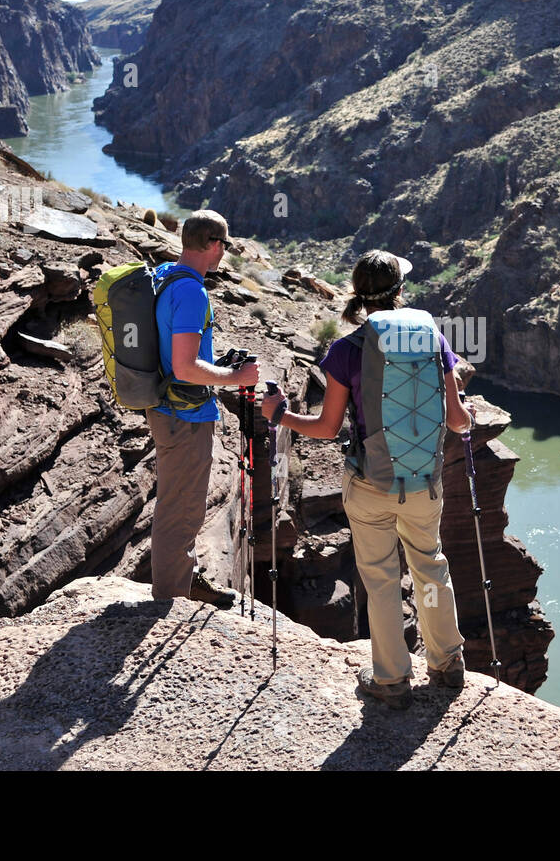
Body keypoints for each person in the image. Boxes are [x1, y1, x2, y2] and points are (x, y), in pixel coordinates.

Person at [261, 250, 473, 709]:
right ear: (400, 292)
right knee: (430, 566)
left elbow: (327, 428)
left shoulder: (345, 351)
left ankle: (391, 680)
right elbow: (458, 422)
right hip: (423, 481)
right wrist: (466, 414)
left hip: (370, 482)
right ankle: (447, 664)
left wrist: (280, 415)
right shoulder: (432, 339)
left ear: (357, 296)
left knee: (380, 578)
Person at [148, 210, 259, 601]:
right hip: (184, 414)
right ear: (214, 245)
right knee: (179, 511)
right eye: (224, 245)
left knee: (184, 505)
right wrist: (236, 379)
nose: (224, 253)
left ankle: (186, 578)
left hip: (167, 407)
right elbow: (184, 366)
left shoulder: (165, 274)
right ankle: (170, 600)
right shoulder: (192, 291)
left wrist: (220, 366)